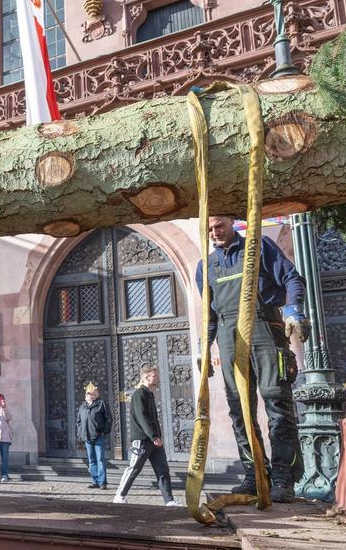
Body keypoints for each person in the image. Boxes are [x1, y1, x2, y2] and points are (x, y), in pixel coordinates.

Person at [196, 216, 309, 503]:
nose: (214, 232)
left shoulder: (259, 247)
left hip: (265, 330)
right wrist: (205, 349)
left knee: (277, 403)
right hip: (228, 336)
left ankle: (284, 478)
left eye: (218, 225)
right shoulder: (205, 267)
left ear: (231, 223)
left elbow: (292, 278)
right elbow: (209, 315)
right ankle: (254, 473)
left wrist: (294, 310)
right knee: (239, 409)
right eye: (209, 229)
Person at [113, 366, 180, 506]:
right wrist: (154, 436)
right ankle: (119, 495)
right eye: (154, 376)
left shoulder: (149, 394)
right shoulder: (139, 394)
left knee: (162, 469)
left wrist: (157, 437)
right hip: (143, 439)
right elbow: (142, 417)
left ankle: (169, 500)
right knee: (134, 468)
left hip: (154, 441)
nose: (157, 378)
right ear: (146, 378)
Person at [77, 383, 112, 490]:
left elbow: (108, 419)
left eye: (90, 393)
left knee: (100, 460)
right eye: (87, 393)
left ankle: (102, 482)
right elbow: (79, 421)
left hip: (98, 436)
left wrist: (104, 432)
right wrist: (80, 433)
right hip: (87, 438)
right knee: (91, 460)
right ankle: (95, 481)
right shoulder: (83, 406)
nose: (88, 395)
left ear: (95, 394)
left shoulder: (101, 404)